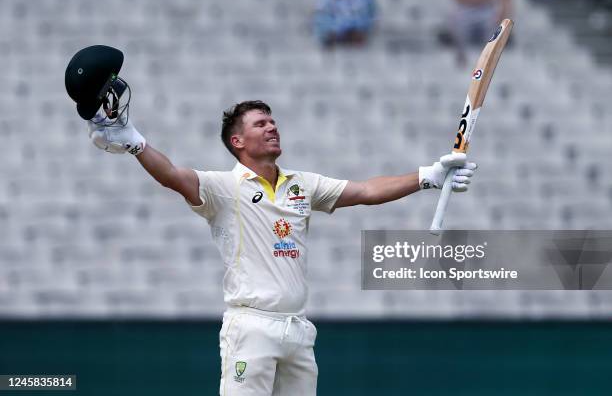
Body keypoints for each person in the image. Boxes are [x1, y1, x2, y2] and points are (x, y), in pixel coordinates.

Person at [66, 47, 477, 396]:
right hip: (251, 328)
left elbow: (367, 191)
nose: (272, 127)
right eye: (260, 124)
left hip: (298, 330)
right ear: (237, 142)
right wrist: (135, 142)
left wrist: (428, 176)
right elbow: (173, 175)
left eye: (273, 121)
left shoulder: (303, 184)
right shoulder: (223, 188)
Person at [442, 0, 513, 65]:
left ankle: (488, 58)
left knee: (493, 25)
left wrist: (504, 9)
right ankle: (461, 56)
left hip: (487, 8)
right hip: (465, 8)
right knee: (455, 20)